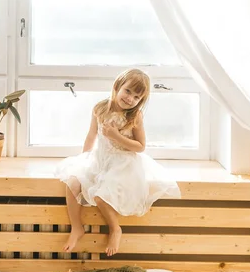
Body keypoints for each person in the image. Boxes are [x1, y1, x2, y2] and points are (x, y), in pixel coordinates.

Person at [57, 68, 181, 257]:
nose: (130, 98)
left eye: (137, 97)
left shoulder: (134, 116)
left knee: (100, 196)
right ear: (117, 87)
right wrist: (83, 159)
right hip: (100, 158)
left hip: (123, 163)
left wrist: (116, 136)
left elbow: (140, 146)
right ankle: (77, 227)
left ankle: (115, 229)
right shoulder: (100, 108)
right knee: (72, 182)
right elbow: (91, 135)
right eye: (128, 91)